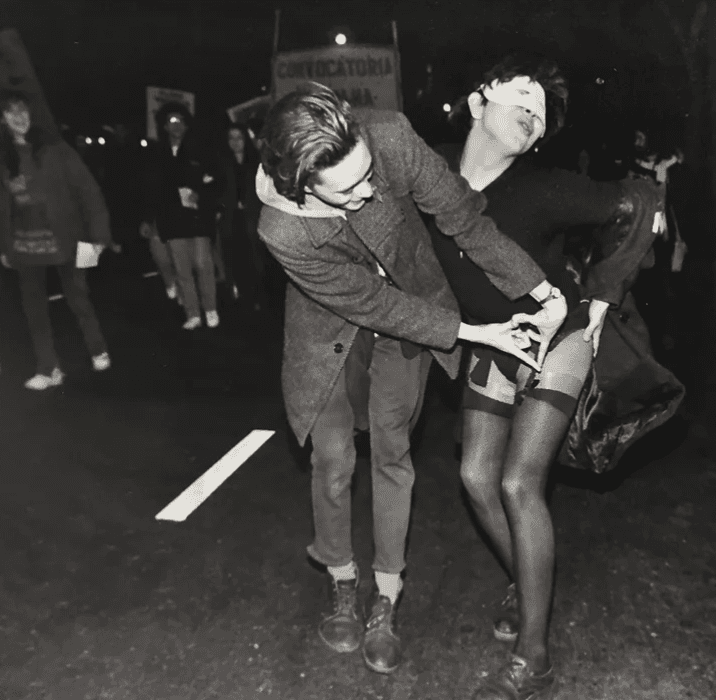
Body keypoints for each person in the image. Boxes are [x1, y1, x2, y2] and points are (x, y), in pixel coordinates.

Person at [254, 83, 567, 677]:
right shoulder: (284, 231)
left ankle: (386, 596)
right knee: (333, 457)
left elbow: (465, 220)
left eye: (368, 173)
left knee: (393, 449)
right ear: (304, 189)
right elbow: (370, 302)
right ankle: (343, 581)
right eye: (349, 189)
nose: (369, 189)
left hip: (414, 305)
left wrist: (540, 290)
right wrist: (477, 332)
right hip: (330, 329)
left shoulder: (391, 137)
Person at [429, 55, 679, 700]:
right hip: (492, 340)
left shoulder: (543, 186)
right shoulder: (428, 171)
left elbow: (638, 202)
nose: (533, 112)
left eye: (542, 113)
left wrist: (599, 298)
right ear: (479, 98)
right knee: (474, 477)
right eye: (524, 94)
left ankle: (533, 656)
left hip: (556, 335)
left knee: (517, 482)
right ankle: (529, 581)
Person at [0, 90, 119, 390]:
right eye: (11, 113)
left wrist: (99, 235)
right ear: (3, 120)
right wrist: (4, 248)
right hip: (24, 245)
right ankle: (49, 369)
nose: (18, 117)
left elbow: (89, 191)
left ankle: (98, 349)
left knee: (79, 298)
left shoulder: (55, 149)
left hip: (70, 239)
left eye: (22, 110)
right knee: (34, 309)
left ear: (31, 114)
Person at [141, 102, 221, 330]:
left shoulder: (199, 149)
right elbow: (151, 188)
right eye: (171, 122)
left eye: (180, 121)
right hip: (172, 218)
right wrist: (149, 218)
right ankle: (193, 312)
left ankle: (210, 309)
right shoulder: (158, 153)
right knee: (182, 268)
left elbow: (216, 180)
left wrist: (202, 195)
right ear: (165, 126)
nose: (176, 126)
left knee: (202, 264)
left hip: (197, 217)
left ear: (187, 124)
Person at [217, 123, 264, 311]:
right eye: (231, 138)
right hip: (231, 218)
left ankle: (258, 296)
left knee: (255, 258)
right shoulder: (222, 162)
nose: (235, 142)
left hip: (253, 217)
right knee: (234, 257)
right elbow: (217, 190)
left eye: (239, 138)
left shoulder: (256, 162)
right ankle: (238, 294)